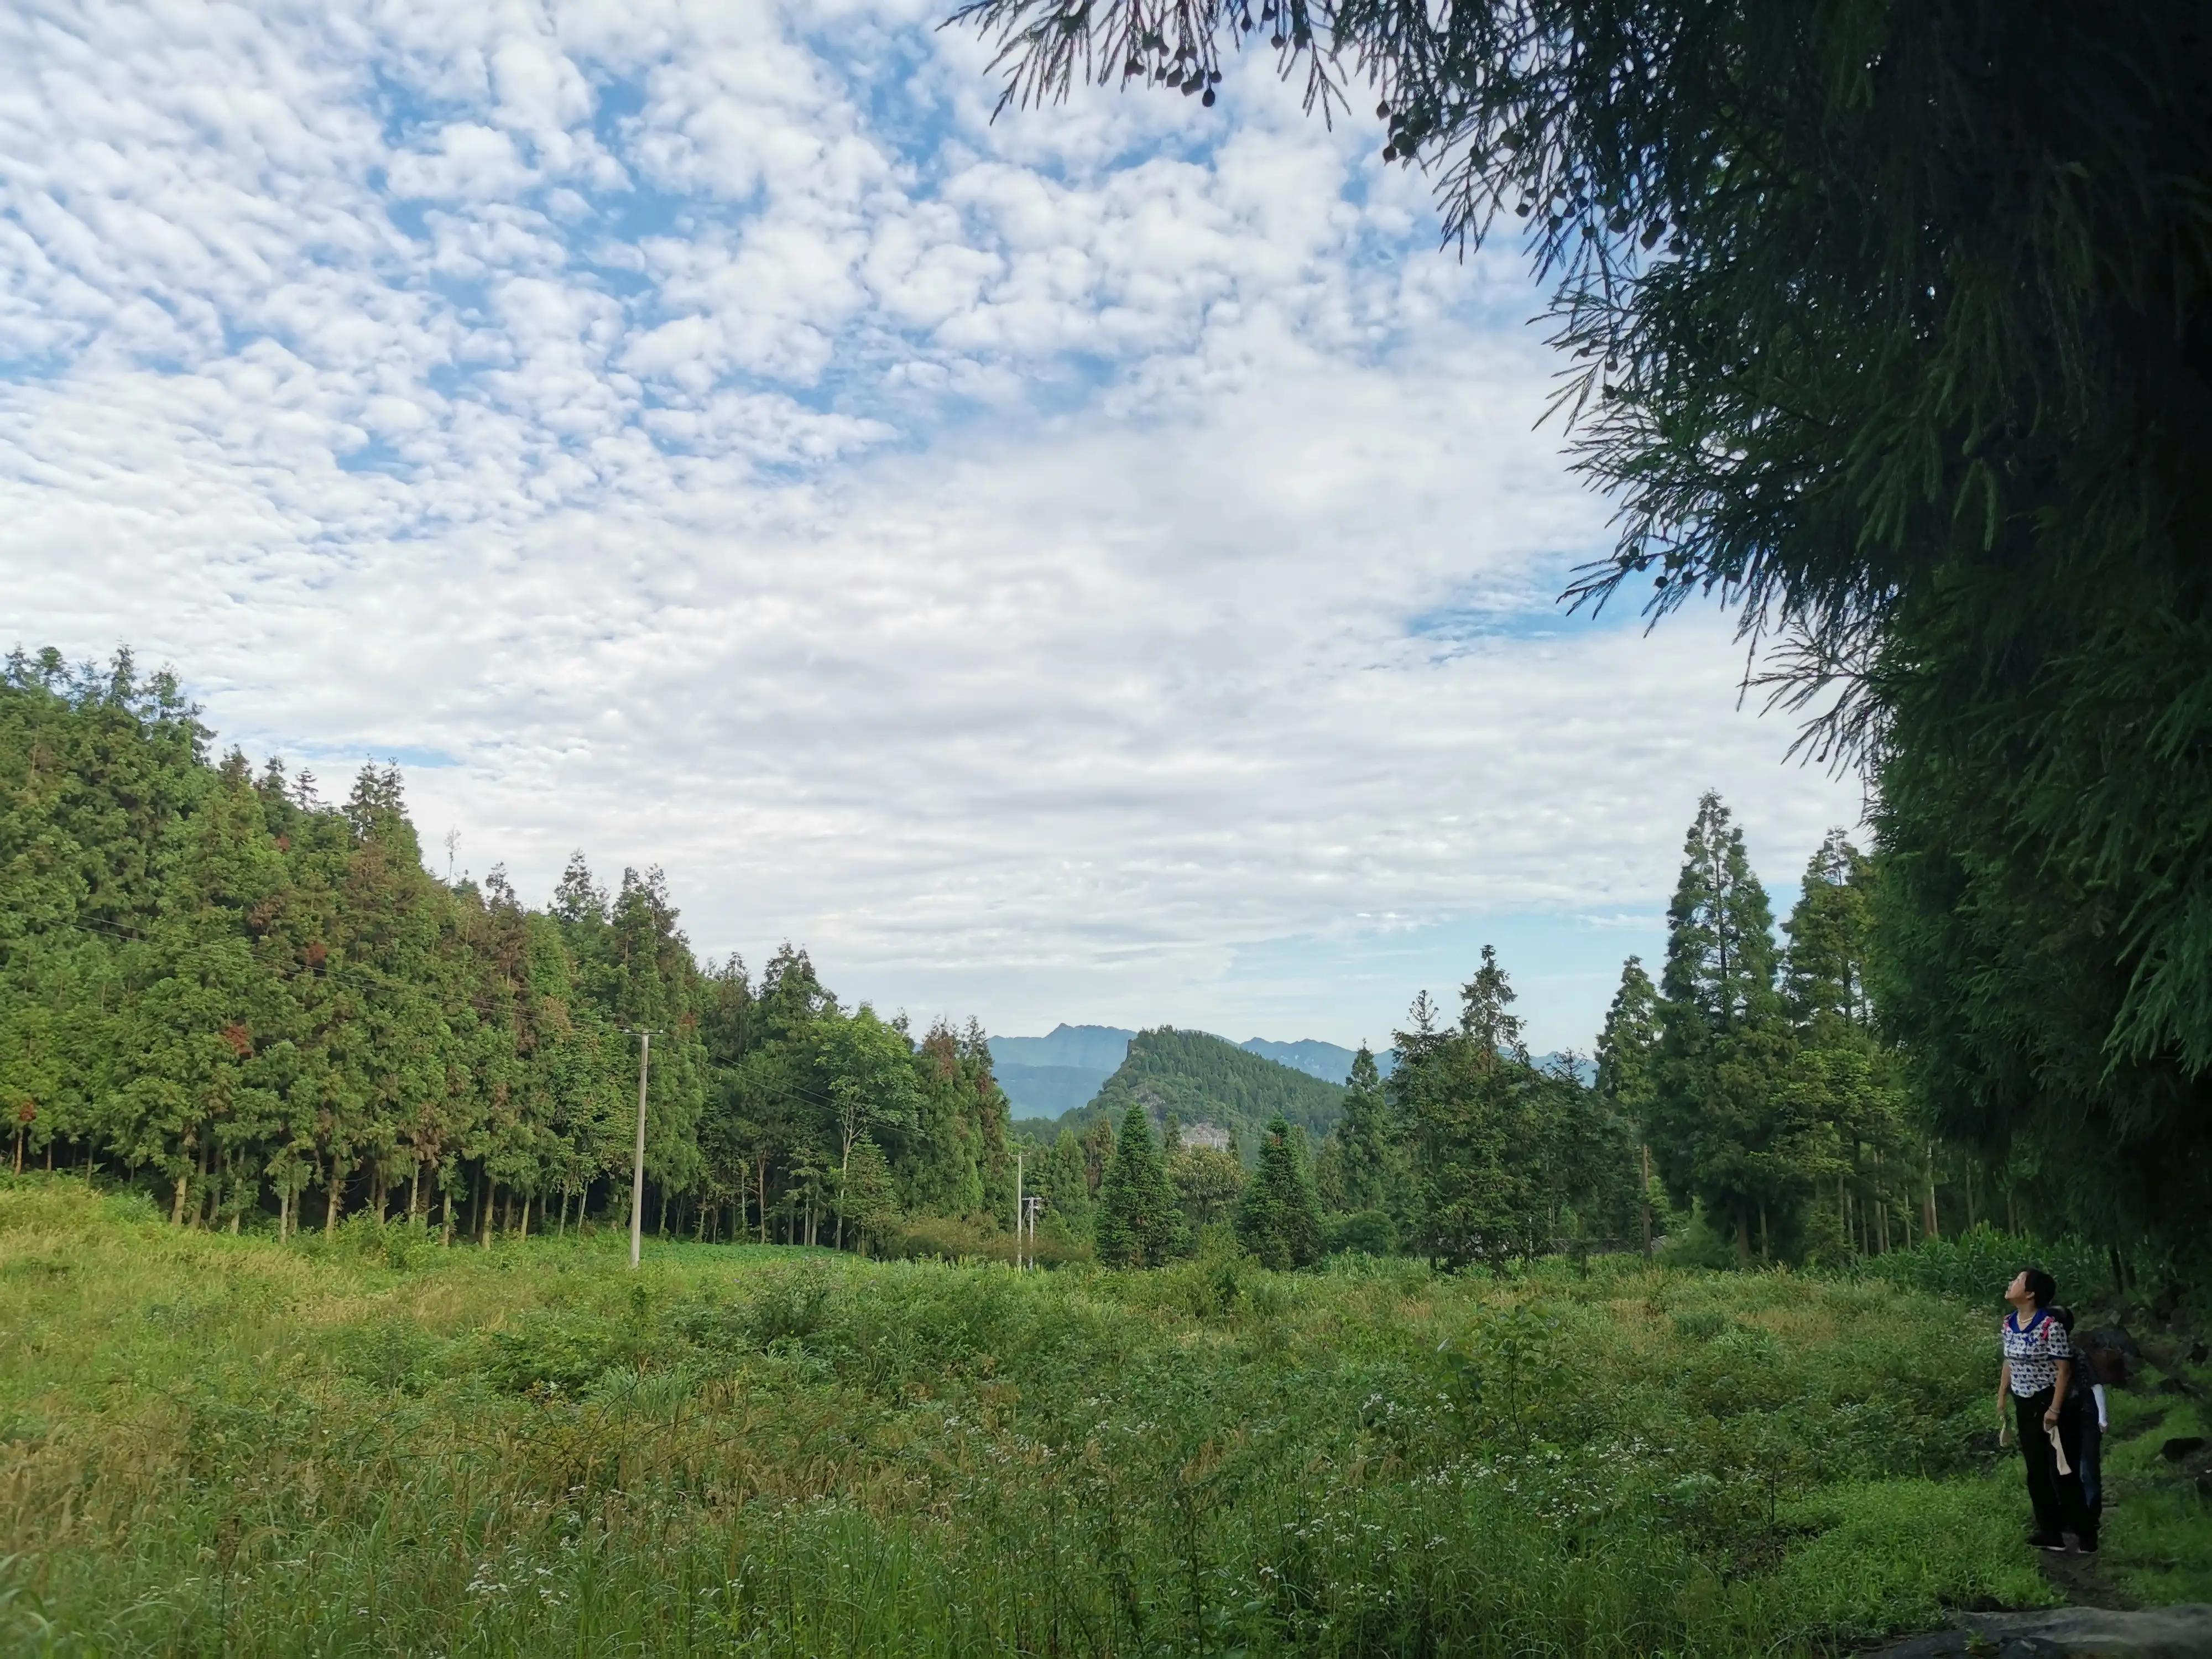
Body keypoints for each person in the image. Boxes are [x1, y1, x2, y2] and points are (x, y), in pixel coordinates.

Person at [1997, 1267, 2096, 1553]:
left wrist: (2054, 1410)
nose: (2011, 1283)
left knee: (2063, 1471)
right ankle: (2050, 1532)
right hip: (2025, 1404)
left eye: (2017, 1280)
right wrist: (2003, 1395)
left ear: (2030, 1293)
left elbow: (2063, 1371)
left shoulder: (2049, 1325)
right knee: (2036, 1471)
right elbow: (2009, 1361)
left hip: (2053, 1405)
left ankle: (2086, 1535)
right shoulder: (2009, 1323)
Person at [2058, 1307, 2109, 1522]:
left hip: (2084, 1415)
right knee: (2066, 1468)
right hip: (2061, 1418)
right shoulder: (2044, 1355)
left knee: (2087, 1468)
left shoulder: (2076, 1354)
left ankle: (2090, 1515)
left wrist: (2102, 1417)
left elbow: (2096, 1386)